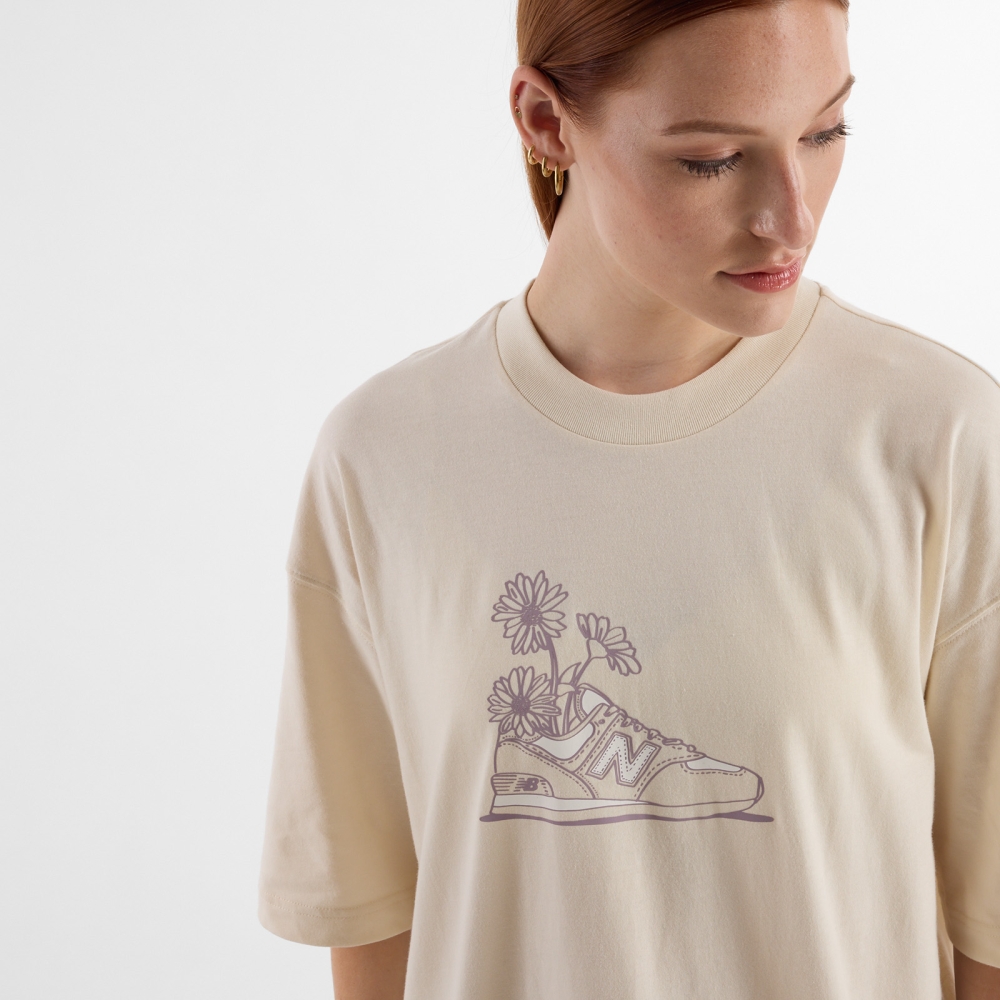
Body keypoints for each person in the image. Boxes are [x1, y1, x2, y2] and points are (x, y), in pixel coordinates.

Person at [258, 0, 1000, 997]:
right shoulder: (383, 456)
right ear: (546, 121)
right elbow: (373, 925)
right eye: (710, 159)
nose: (792, 217)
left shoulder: (936, 437)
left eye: (824, 133)